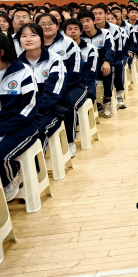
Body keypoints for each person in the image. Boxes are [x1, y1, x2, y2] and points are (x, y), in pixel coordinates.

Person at [36, 14, 87, 153]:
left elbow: (75, 72)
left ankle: (70, 142)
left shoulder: (68, 43)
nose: (46, 27)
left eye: (50, 23)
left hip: (72, 85)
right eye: (42, 24)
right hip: (45, 89)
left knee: (68, 104)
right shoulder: (33, 44)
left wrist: (57, 89)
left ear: (57, 26)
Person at [17, 23, 69, 154]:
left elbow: (53, 93)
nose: (28, 39)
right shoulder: (17, 64)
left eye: (33, 35)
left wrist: (32, 111)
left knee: (36, 129)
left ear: (42, 38)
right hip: (25, 111)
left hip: (51, 109)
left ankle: (37, 164)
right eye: (24, 36)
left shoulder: (55, 60)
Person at [0, 33, 39, 202]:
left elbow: (29, 107)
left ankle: (11, 177)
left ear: (1, 53)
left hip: (25, 125)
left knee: (1, 154)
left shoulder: (22, 71)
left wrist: (3, 128)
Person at [79, 10, 115, 118]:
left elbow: (110, 48)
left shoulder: (105, 33)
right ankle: (91, 104)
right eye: (81, 21)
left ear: (94, 21)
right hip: (87, 68)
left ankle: (107, 100)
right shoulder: (79, 37)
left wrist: (106, 61)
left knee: (107, 71)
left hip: (101, 65)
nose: (85, 24)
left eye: (88, 21)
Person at [63, 19, 98, 105]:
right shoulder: (61, 50)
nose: (73, 31)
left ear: (81, 32)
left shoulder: (90, 48)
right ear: (64, 33)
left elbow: (91, 72)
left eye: (76, 29)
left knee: (89, 94)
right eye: (70, 29)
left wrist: (79, 80)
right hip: (67, 81)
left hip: (86, 80)